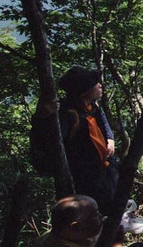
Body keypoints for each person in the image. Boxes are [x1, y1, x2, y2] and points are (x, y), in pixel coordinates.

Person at [32, 67, 120, 210]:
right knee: (92, 213)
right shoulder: (68, 113)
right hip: (85, 179)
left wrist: (110, 139)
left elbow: (103, 121)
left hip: (105, 171)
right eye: (95, 83)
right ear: (84, 90)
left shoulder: (92, 106)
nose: (100, 85)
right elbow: (52, 141)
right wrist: (42, 117)